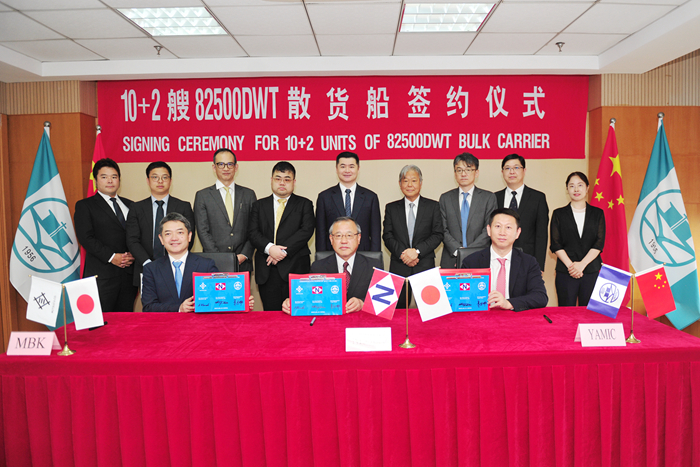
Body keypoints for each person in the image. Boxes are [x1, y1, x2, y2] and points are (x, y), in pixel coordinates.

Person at [142, 212, 254, 312]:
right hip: (165, 325)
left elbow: (220, 297)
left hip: (199, 324)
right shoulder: (151, 269)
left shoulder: (206, 265)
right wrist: (179, 308)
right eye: (168, 234)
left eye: (180, 232)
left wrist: (241, 301)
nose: (174, 238)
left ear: (189, 236)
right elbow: (148, 307)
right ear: (161, 239)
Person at [248, 161, 315, 311]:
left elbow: (306, 230)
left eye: (287, 179)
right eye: (278, 178)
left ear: (294, 182)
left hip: (296, 267)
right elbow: (253, 232)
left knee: (298, 313)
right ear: (271, 180)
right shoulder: (258, 205)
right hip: (267, 269)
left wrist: (281, 252)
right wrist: (270, 249)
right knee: (271, 316)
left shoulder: (305, 204)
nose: (282, 183)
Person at [283, 217, 383, 314]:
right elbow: (309, 297)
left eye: (349, 235)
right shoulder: (318, 267)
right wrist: (293, 302)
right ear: (331, 239)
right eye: (338, 236)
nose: (344, 241)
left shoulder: (374, 266)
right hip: (330, 321)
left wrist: (362, 303)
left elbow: (383, 302)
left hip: (361, 322)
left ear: (358, 238)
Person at [74, 158, 137, 312]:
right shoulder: (85, 206)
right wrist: (112, 257)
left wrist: (135, 254)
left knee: (126, 320)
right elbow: (86, 238)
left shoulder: (131, 205)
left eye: (114, 177)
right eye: (104, 177)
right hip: (102, 275)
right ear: (96, 181)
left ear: (119, 180)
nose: (110, 181)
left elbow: (138, 235)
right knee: (102, 321)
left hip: (128, 276)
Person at [462, 208, 548, 311]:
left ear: (517, 232)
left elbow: (540, 297)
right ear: (489, 230)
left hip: (514, 317)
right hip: (482, 316)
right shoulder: (471, 262)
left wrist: (509, 303)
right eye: (498, 226)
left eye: (508, 227)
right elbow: (462, 296)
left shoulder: (529, 262)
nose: (502, 232)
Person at [126, 161, 195, 288]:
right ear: (148, 180)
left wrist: (173, 261)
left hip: (177, 266)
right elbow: (132, 240)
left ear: (170, 180)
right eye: (155, 177)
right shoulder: (136, 208)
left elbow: (188, 238)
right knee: (149, 300)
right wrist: (148, 263)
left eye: (164, 177)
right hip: (145, 267)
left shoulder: (183, 206)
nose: (160, 181)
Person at [383, 165, 443, 308]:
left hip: (424, 265)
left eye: (414, 180)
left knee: (428, 310)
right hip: (399, 266)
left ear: (420, 183)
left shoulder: (433, 206)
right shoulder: (391, 208)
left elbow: (438, 235)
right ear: (400, 184)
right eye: (405, 181)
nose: (410, 184)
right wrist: (404, 255)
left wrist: (416, 252)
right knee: (398, 311)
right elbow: (387, 236)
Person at [194, 148, 257, 271]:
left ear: (236, 167)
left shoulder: (248, 194)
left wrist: (244, 254)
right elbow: (203, 231)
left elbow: (254, 229)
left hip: (242, 263)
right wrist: (219, 258)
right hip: (213, 263)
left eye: (230, 164)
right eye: (221, 164)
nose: (226, 168)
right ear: (214, 167)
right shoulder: (203, 196)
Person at [550, 172, 606, 306]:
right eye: (572, 186)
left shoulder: (597, 213)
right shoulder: (558, 214)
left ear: (587, 188)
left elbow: (599, 242)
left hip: (591, 270)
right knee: (566, 313)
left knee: (588, 313)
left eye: (580, 185)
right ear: (567, 189)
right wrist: (572, 267)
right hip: (566, 271)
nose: (576, 189)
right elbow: (555, 244)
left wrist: (582, 265)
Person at [439, 153, 497, 268]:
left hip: (480, 257)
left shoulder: (488, 198)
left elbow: (489, 229)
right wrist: (458, 251)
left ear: (476, 173)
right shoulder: (445, 198)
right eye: (459, 170)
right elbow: (442, 229)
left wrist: (468, 253)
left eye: (468, 169)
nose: (463, 174)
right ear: (455, 173)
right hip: (451, 258)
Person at [315, 152, 382, 252]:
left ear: (358, 169)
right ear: (336, 169)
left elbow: (375, 233)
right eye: (343, 166)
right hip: (333, 254)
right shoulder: (324, 197)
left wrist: (374, 258)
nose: (347, 170)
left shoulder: (370, 197)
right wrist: (322, 258)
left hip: (363, 254)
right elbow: (320, 233)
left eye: (351, 166)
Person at [494, 154, 549, 271]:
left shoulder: (538, 198)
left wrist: (539, 266)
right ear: (502, 172)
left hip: (528, 260)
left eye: (516, 167)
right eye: (507, 168)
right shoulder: (494, 197)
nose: (512, 172)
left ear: (524, 171)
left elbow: (541, 235)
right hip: (498, 259)